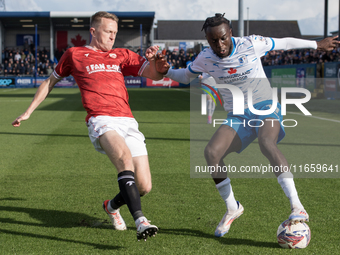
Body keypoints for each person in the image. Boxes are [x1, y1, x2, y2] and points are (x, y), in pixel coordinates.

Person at [158, 13, 340, 237]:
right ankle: (232, 207)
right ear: (207, 40)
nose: (219, 44)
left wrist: (316, 44)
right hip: (238, 115)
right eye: (213, 40)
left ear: (230, 33)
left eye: (223, 38)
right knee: (211, 153)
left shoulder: (250, 44)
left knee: (266, 143)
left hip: (265, 106)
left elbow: (284, 43)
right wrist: (165, 71)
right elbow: (185, 76)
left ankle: (297, 206)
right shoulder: (205, 58)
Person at [12, 11, 168, 241]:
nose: (112, 37)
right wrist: (28, 112)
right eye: (108, 32)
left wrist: (158, 61)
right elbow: (49, 82)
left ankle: (111, 206)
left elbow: (156, 75)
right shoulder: (75, 54)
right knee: (124, 159)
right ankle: (141, 221)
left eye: (115, 33)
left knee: (144, 186)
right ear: (93, 31)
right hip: (101, 119)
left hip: (127, 120)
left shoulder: (122, 54)